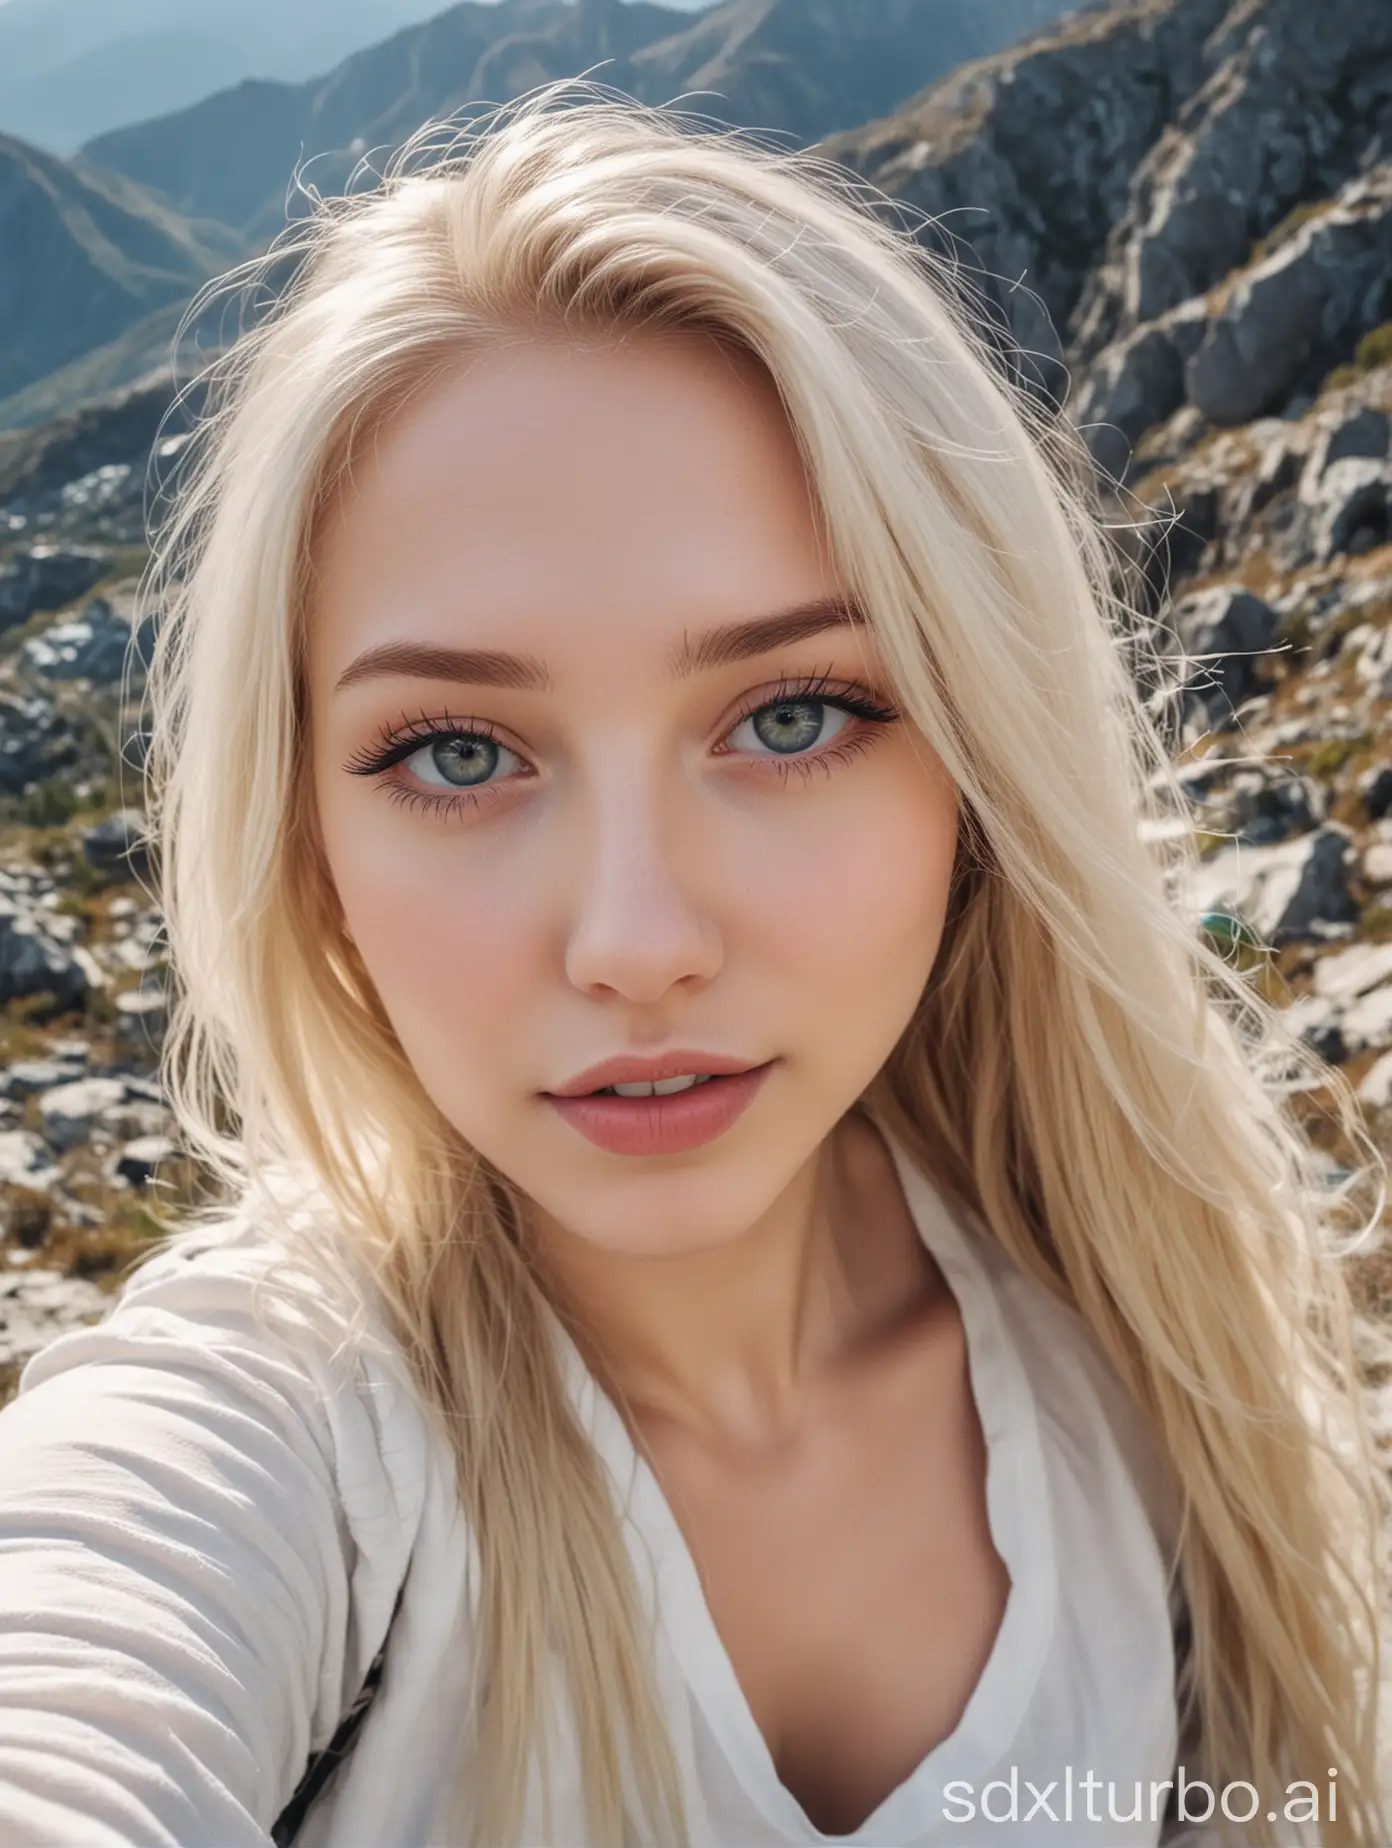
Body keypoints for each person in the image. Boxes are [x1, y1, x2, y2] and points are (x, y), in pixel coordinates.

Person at [0, 78, 1384, 1848]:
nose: (637, 943)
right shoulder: (283, 1445)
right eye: (456, 753)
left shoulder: (1141, 1350)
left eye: (791, 715)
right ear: (308, 851)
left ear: (977, 767)